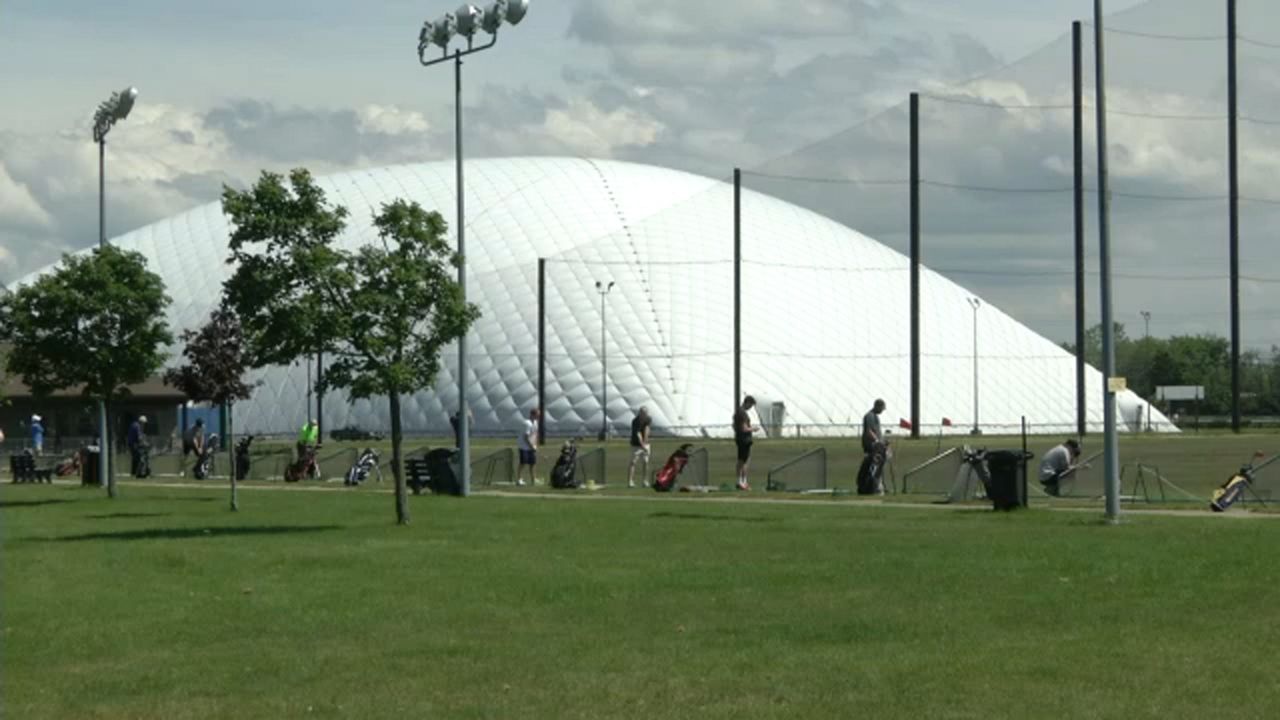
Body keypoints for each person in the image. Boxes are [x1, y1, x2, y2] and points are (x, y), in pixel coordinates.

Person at [857, 399, 888, 495]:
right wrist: (877, 441)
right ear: (877, 406)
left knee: (879, 466)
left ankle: (878, 485)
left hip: (878, 447)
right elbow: (869, 431)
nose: (882, 411)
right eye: (882, 409)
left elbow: (877, 432)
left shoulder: (876, 417)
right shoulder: (869, 416)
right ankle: (872, 486)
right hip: (871, 447)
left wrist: (883, 442)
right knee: (873, 467)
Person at [733, 396, 759, 491]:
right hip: (744, 440)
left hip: (740, 439)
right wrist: (753, 429)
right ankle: (743, 482)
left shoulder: (737, 413)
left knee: (740, 460)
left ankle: (740, 481)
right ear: (747, 403)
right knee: (744, 461)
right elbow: (744, 428)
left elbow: (734, 426)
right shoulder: (743, 414)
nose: (750, 407)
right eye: (751, 405)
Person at [627, 406, 652, 488]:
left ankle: (645, 481)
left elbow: (647, 430)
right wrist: (642, 445)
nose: (645, 415)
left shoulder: (648, 419)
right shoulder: (635, 421)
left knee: (645, 462)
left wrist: (645, 443)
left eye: (646, 413)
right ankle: (630, 481)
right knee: (633, 462)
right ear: (640, 413)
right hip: (636, 444)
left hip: (646, 444)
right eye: (643, 413)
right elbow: (638, 434)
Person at [516, 408, 540, 486]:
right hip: (524, 447)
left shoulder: (536, 423)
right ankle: (519, 480)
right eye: (537, 414)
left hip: (531, 446)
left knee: (533, 463)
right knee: (523, 463)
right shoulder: (527, 423)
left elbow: (535, 434)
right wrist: (531, 446)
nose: (538, 416)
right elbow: (525, 437)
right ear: (532, 415)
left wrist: (535, 445)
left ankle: (533, 479)